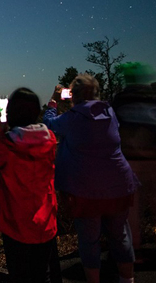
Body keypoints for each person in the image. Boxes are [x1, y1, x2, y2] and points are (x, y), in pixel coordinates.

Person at [44, 74, 139, 283]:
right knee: (121, 235)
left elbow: (49, 126)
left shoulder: (73, 118)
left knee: (89, 240)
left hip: (86, 190)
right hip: (119, 185)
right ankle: (128, 280)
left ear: (73, 96)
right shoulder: (110, 112)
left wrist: (53, 101)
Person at [0, 87, 61, 283]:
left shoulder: (7, 148)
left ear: (11, 114)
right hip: (46, 223)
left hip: (16, 228)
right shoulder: (49, 139)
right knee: (41, 274)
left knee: (20, 275)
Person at [112, 62, 156, 256]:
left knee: (132, 211)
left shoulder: (120, 100)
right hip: (153, 159)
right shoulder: (153, 98)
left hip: (129, 160)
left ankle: (133, 252)